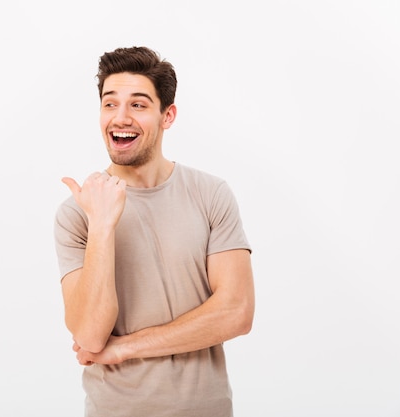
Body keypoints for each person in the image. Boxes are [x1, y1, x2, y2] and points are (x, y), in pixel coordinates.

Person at [53, 46, 255, 417]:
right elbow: (90, 336)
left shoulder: (210, 194)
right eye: (110, 104)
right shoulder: (78, 213)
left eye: (139, 105)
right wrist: (101, 224)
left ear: (168, 115)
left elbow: (237, 312)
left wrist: (125, 348)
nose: (121, 118)